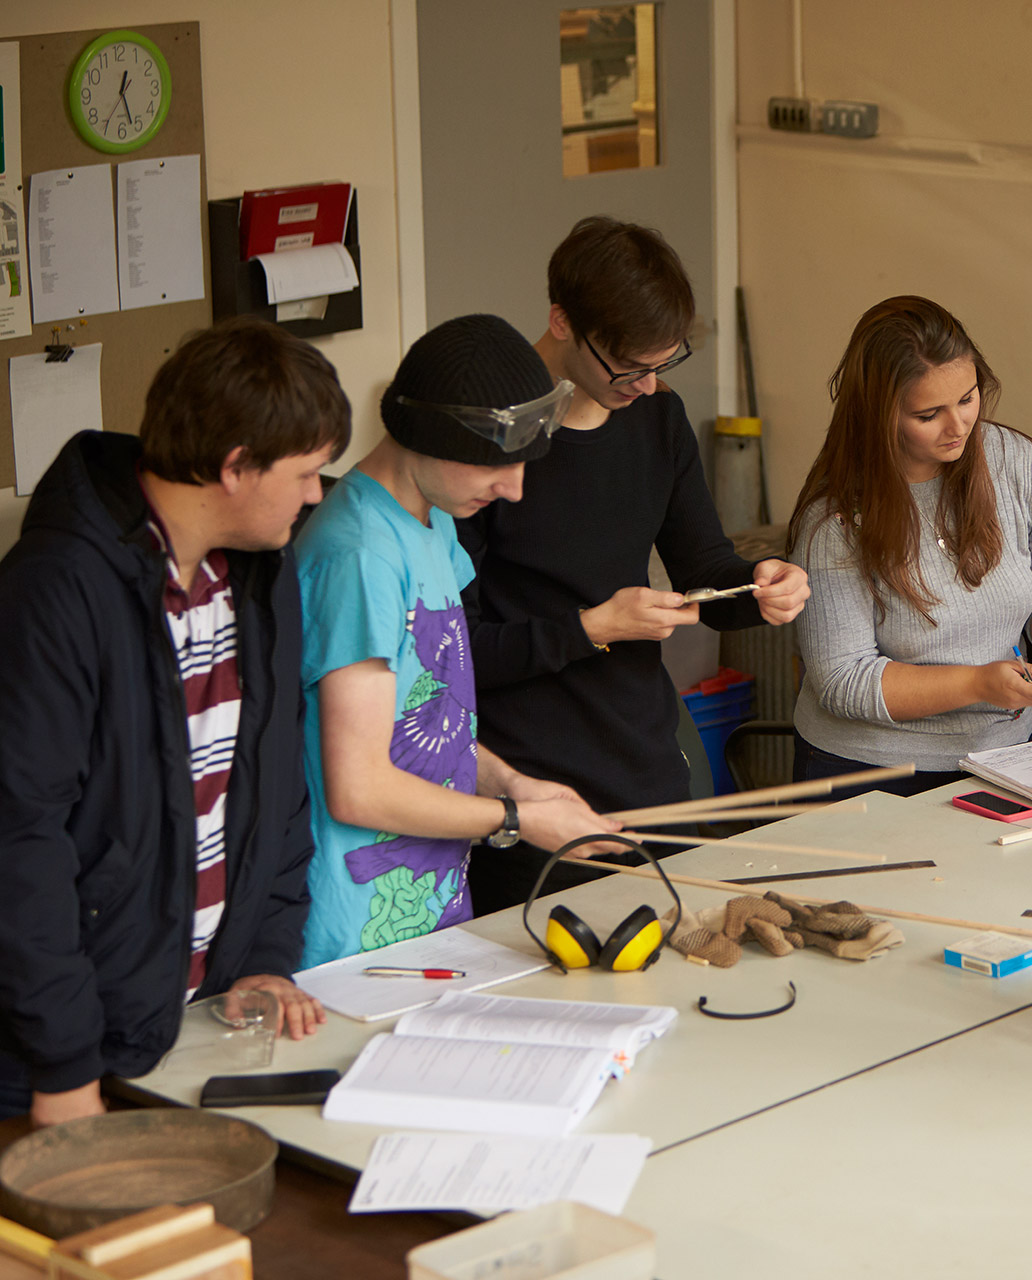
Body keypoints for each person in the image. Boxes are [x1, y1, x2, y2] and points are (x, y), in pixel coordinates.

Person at [0, 317, 347, 1126]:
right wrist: (63, 1064)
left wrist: (263, 960)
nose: (315, 495)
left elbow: (271, 779)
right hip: (54, 1068)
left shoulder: (260, 571)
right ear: (233, 468)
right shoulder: (54, 591)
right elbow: (20, 839)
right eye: (303, 474)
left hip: (189, 1032)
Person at [458, 218, 809, 914]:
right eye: (629, 367)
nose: (647, 386)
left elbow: (703, 567)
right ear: (562, 320)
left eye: (663, 365)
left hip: (641, 758)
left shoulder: (656, 421)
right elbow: (454, 652)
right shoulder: (485, 445)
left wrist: (761, 586)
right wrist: (591, 626)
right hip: (527, 776)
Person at [295, 314, 619, 969]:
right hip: (357, 929)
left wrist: (517, 784)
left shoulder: (433, 519)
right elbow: (358, 786)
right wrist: (514, 820)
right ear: (427, 438)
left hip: (431, 903)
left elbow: (426, 716)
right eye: (494, 466)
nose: (514, 488)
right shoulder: (361, 557)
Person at [786, 296, 1032, 792]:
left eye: (968, 398)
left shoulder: (1016, 462)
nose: (959, 427)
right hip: (870, 770)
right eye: (929, 414)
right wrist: (978, 683)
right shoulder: (835, 519)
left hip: (1003, 756)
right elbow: (842, 681)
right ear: (880, 414)